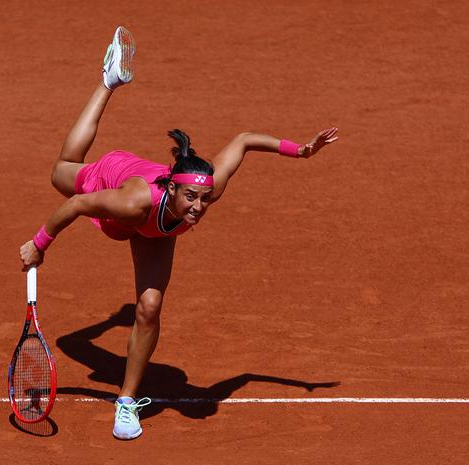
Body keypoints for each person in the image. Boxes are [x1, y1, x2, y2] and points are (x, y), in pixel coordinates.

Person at [19, 26, 338, 440]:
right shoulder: (132, 201)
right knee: (62, 171)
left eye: (203, 200)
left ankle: (127, 403)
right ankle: (108, 81)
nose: (198, 208)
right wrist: (38, 245)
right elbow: (77, 206)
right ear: (172, 188)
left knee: (149, 309)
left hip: (154, 230)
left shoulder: (204, 191)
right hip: (115, 181)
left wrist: (302, 151)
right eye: (190, 198)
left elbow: (243, 141)